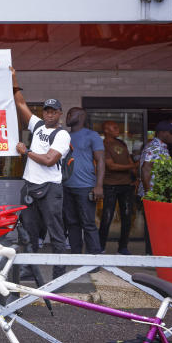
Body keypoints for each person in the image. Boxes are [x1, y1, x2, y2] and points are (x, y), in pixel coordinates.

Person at [11, 66, 70, 279]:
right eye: (47, 110)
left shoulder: (62, 135)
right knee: (28, 232)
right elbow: (20, 104)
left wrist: (26, 151)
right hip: (30, 187)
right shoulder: (37, 126)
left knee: (56, 235)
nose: (50, 114)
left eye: (54, 111)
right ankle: (29, 272)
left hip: (50, 190)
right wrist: (14, 79)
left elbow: (49, 160)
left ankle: (59, 277)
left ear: (59, 114)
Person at [62, 107, 104, 254]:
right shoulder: (64, 136)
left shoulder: (92, 135)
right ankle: (76, 256)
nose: (67, 116)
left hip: (85, 187)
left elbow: (101, 161)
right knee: (72, 224)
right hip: (66, 187)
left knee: (88, 224)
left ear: (81, 116)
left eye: (70, 113)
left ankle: (94, 260)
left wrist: (98, 185)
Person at [138, 120, 172, 255]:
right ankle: (152, 256)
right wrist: (150, 194)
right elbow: (146, 170)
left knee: (157, 227)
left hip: (158, 195)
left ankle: (156, 254)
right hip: (153, 195)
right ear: (162, 133)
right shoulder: (154, 147)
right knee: (153, 228)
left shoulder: (162, 146)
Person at [99, 121, 138, 255]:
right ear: (106, 129)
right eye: (114, 127)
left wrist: (136, 177)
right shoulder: (103, 145)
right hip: (110, 185)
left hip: (126, 185)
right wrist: (133, 166)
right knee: (107, 216)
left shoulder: (122, 143)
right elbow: (111, 166)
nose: (118, 129)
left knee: (127, 216)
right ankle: (101, 246)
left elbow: (129, 160)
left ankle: (123, 247)